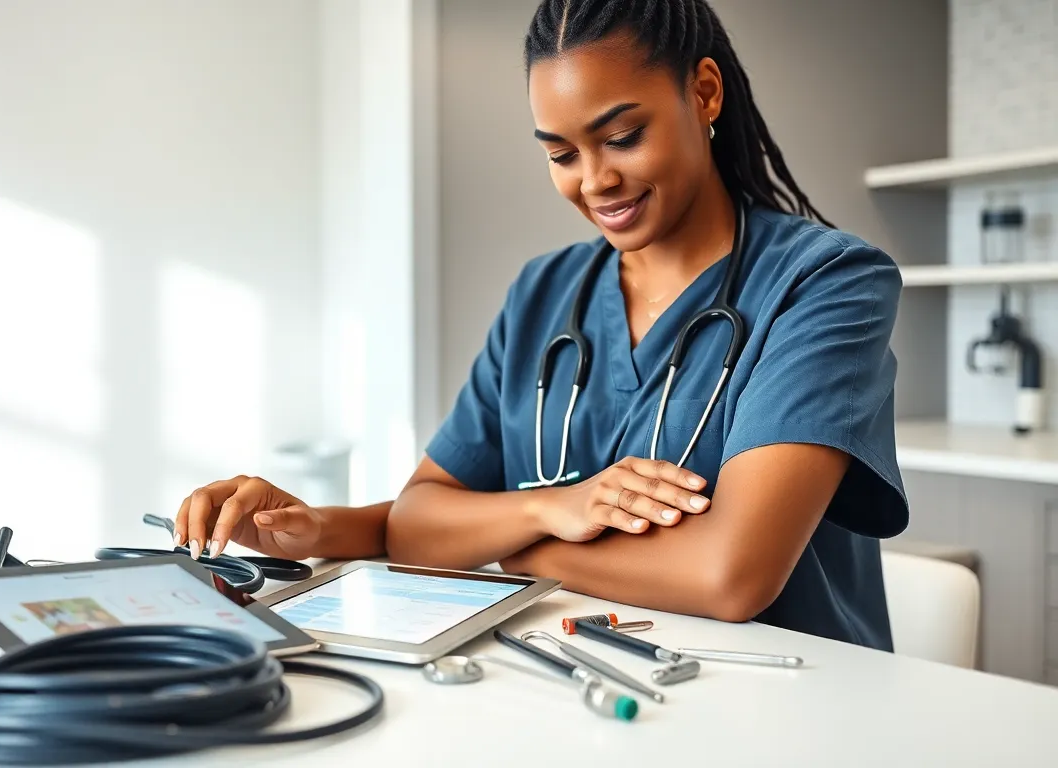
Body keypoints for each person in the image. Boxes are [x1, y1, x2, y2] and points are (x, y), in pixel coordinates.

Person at [175, 0, 908, 651]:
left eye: (621, 136)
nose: (593, 181)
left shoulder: (825, 284)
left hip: (789, 699)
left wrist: (521, 551)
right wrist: (556, 506)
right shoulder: (544, 292)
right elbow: (421, 521)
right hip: (582, 684)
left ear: (703, 92)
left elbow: (730, 576)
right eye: (561, 153)